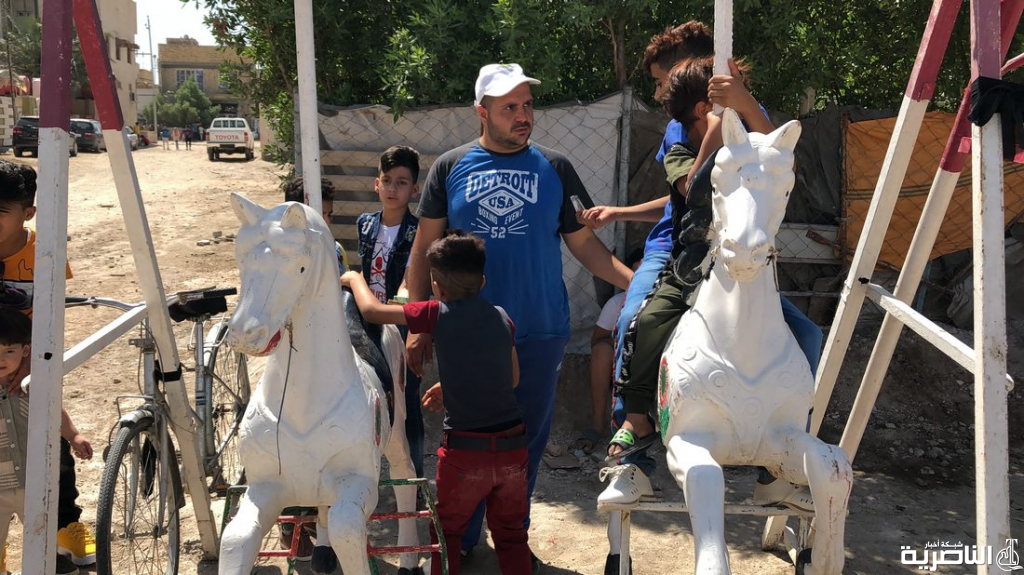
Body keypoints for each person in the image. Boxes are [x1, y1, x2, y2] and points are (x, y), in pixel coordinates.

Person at [405, 62, 634, 568]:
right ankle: (461, 537)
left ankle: (514, 534)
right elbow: (425, 247)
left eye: (527, 105)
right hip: (465, 333)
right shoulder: (450, 166)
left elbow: (587, 248)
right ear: (481, 112)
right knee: (464, 436)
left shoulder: (555, 166)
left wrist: (641, 285)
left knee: (523, 442)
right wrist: (416, 327)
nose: (523, 115)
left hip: (539, 328)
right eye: (510, 107)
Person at [342, 231, 528, 575]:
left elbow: (371, 311)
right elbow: (511, 379)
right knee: (511, 535)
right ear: (483, 280)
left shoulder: (435, 313)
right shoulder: (503, 317)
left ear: (436, 285)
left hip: (464, 454)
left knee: (447, 535)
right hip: (513, 451)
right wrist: (454, 382)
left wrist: (354, 277)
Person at [0, 161, 95, 573]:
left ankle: (66, 527)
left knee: (51, 445)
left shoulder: (45, 253)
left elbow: (53, 319)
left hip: (30, 364)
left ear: (28, 214)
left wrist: (30, 366)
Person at [0, 308, 93, 575]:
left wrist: (74, 435)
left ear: (25, 351)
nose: (2, 359)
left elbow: (55, 413)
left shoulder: (32, 385)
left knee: (45, 538)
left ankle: (56, 563)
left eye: (9, 351)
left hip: (35, 484)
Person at [355, 145, 425, 480]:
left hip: (400, 324)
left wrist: (393, 317)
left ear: (415, 189)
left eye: (401, 182)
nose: (393, 188)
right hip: (368, 322)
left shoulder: (419, 231)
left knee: (407, 403)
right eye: (387, 180)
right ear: (376, 184)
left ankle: (414, 476)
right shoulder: (365, 225)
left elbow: (410, 287)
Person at [577, 248, 644, 455]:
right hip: (621, 361)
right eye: (635, 275)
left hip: (649, 364)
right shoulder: (617, 303)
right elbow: (598, 340)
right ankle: (599, 425)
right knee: (600, 351)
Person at [283, 175, 350, 273]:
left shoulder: (335, 250)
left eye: (329, 214)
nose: (327, 222)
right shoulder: (279, 255)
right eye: (319, 216)